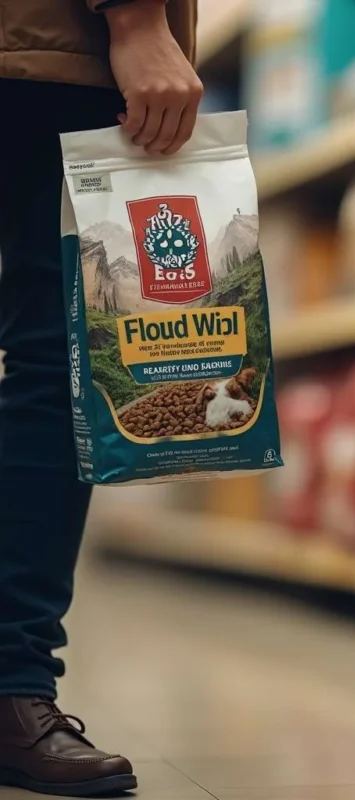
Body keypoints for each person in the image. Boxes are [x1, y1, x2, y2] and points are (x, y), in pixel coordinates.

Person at [0, 1, 202, 795]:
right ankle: (11, 691)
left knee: (57, 356)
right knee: (55, 358)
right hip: (43, 48)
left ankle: (11, 692)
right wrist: (135, 19)